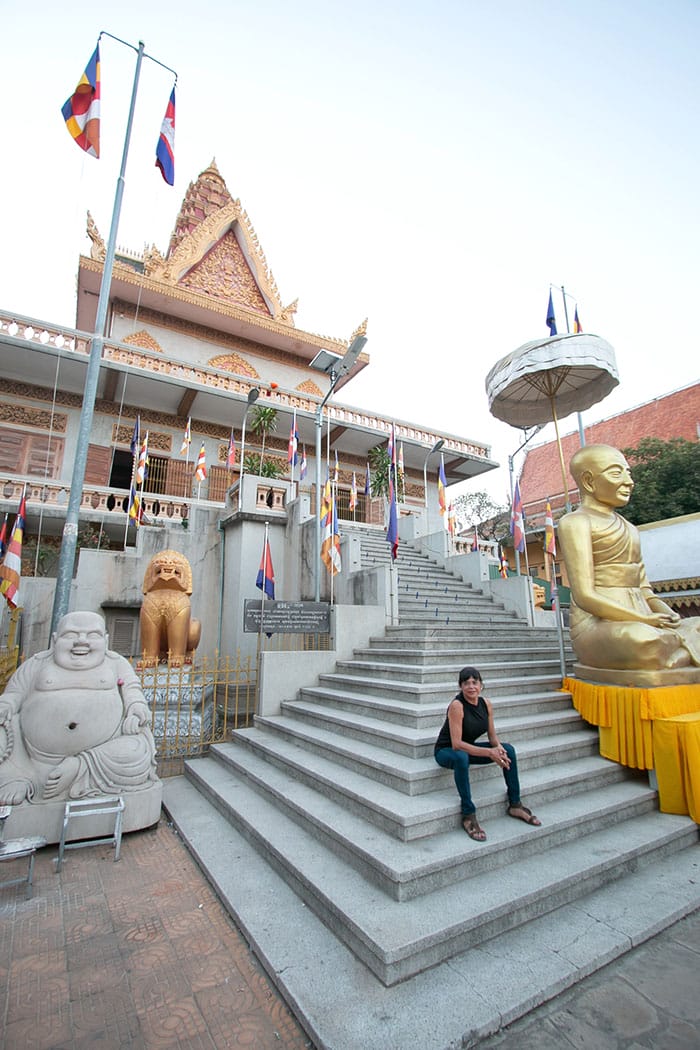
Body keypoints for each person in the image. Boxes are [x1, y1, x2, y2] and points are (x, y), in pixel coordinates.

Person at [557, 444, 700, 671]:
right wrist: (643, 620)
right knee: (643, 639)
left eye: (628, 473)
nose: (628, 481)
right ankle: (681, 652)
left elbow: (645, 591)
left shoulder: (630, 528)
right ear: (588, 482)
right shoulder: (575, 522)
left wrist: (671, 616)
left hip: (643, 614)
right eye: (617, 473)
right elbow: (584, 596)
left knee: (695, 625)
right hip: (599, 624)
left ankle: (675, 654)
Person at [0, 610, 158, 806]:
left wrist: (136, 706)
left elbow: (132, 689)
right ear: (55, 640)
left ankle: (80, 767)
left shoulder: (115, 662)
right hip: (32, 755)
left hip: (100, 753)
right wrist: (6, 704)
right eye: (71, 635)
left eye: (92, 635)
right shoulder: (38, 663)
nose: (81, 642)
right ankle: (18, 777)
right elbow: (14, 693)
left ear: (106, 641)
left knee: (137, 748)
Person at [434, 666, 541, 842]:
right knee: (462, 757)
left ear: (481, 685)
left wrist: (498, 748)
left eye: (474, 682)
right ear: (460, 686)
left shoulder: (486, 704)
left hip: (468, 748)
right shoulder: (457, 706)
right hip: (447, 751)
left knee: (509, 750)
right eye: (466, 683)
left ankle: (515, 804)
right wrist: (489, 753)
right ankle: (468, 814)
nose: (471, 686)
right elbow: (457, 744)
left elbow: (492, 736)